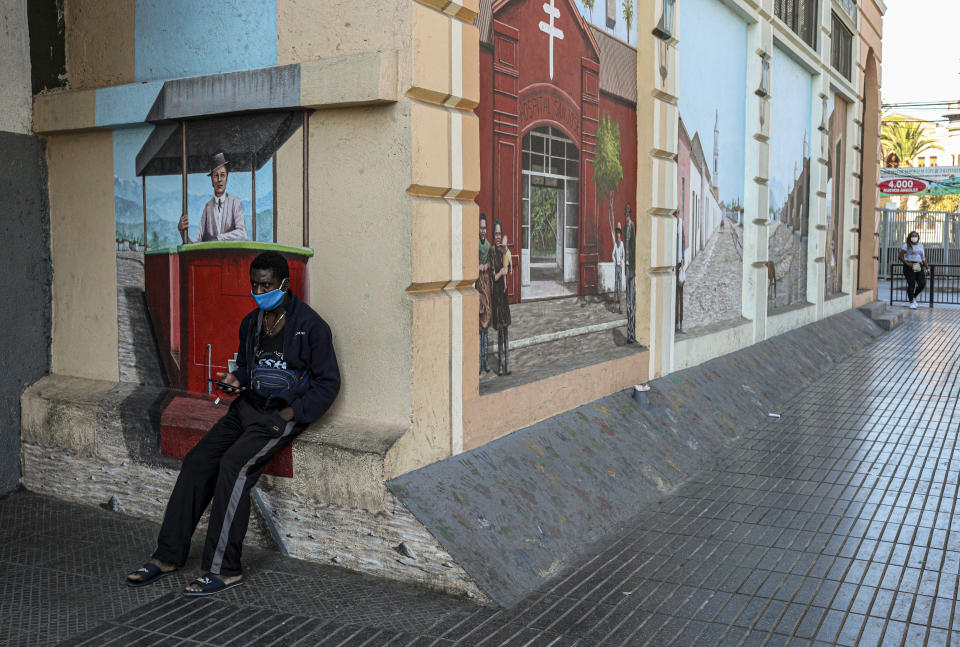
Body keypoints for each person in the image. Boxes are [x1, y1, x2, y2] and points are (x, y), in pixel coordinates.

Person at [127, 251, 340, 595]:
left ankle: (225, 570)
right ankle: (167, 555)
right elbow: (245, 367)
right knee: (198, 462)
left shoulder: (312, 327)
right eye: (254, 284)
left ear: (284, 284)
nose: (258, 290)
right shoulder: (251, 323)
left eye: (266, 284)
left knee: (234, 466)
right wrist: (236, 380)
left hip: (280, 416)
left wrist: (290, 414)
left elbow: (328, 383)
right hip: (246, 408)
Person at [179, 152, 248, 243]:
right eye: (216, 175)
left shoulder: (235, 202)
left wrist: (219, 238)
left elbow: (242, 234)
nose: (219, 179)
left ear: (227, 178)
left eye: (222, 175)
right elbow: (197, 244)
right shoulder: (208, 207)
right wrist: (182, 232)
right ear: (211, 179)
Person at [491, 219, 512, 375]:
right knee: (499, 330)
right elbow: (493, 276)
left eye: (500, 233)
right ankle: (500, 364)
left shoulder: (504, 251)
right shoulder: (492, 251)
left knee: (506, 330)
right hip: (496, 296)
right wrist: (500, 273)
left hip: (504, 295)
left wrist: (508, 269)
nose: (498, 237)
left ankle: (508, 362)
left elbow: (509, 268)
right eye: (496, 234)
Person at [477, 214, 493, 374]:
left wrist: (487, 265)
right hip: (477, 285)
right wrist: (478, 267)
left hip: (486, 283)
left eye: (484, 228)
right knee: (478, 321)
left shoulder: (488, 245)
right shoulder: (476, 244)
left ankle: (485, 361)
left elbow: (491, 262)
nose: (483, 231)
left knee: (486, 321)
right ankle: (477, 362)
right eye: (481, 228)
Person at [898, 230, 929, 309]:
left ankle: (914, 296)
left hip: (917, 265)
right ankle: (911, 302)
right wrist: (906, 263)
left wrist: (927, 268)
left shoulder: (920, 245)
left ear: (918, 237)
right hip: (910, 264)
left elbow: (923, 258)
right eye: (912, 236)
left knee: (922, 283)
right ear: (910, 237)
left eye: (915, 236)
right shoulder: (906, 245)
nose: (914, 237)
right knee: (912, 284)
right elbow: (900, 256)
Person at [625, 206, 636, 343]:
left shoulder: (632, 227)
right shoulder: (627, 227)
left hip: (631, 269)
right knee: (628, 302)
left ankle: (632, 334)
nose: (626, 217)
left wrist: (633, 270)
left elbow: (633, 248)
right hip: (626, 268)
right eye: (625, 214)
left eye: (628, 214)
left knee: (632, 303)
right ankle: (629, 334)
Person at [612, 224, 625, 314]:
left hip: (620, 267)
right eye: (617, 234)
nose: (618, 235)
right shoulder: (616, 245)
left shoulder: (622, 244)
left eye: (619, 234)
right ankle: (614, 307)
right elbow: (612, 254)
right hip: (616, 267)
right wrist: (615, 261)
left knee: (620, 287)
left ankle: (620, 307)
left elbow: (623, 254)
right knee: (616, 286)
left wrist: (621, 262)